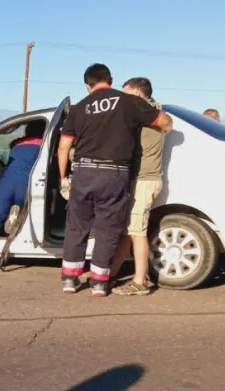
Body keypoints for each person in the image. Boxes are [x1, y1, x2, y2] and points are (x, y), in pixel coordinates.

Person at [57, 63, 172, 297]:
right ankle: (99, 283)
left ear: (88, 85)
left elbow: (63, 147)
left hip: (84, 172)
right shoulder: (129, 102)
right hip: (115, 173)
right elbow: (164, 121)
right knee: (108, 229)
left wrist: (62, 178)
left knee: (77, 227)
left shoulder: (79, 109)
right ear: (110, 79)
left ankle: (70, 278)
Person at [109, 77, 167, 296]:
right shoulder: (154, 112)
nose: (123, 99)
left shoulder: (147, 116)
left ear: (139, 95)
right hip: (141, 179)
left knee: (137, 232)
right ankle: (112, 273)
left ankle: (140, 282)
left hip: (144, 179)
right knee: (128, 231)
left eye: (127, 94)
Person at [0, 120, 46, 271]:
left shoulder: (16, 144)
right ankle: (17, 217)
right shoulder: (43, 144)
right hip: (26, 185)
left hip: (5, 184)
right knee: (31, 211)